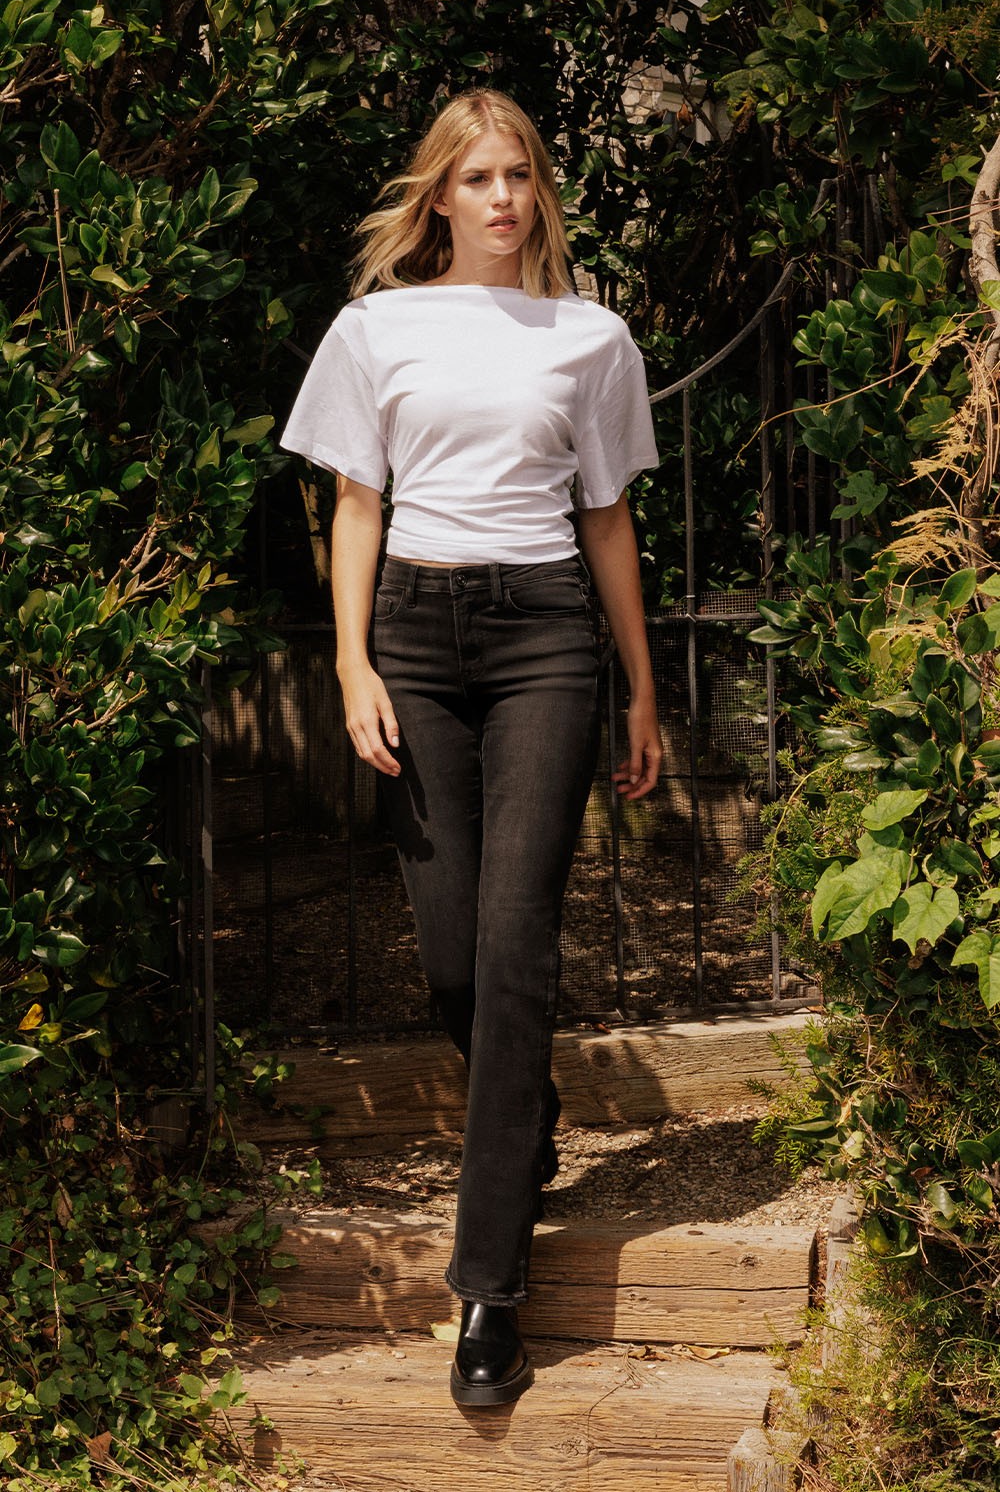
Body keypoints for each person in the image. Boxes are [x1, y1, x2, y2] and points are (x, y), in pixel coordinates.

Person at [280, 88, 661, 1408]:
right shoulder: (374, 327)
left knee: (514, 939)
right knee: (451, 953)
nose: (504, 197)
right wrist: (351, 663)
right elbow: (357, 503)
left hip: (546, 635)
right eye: (479, 177)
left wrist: (641, 690)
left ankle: (490, 1287)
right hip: (416, 640)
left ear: (539, 189)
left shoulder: (589, 336)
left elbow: (606, 518)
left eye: (521, 175)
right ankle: (530, 1112)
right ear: (438, 194)